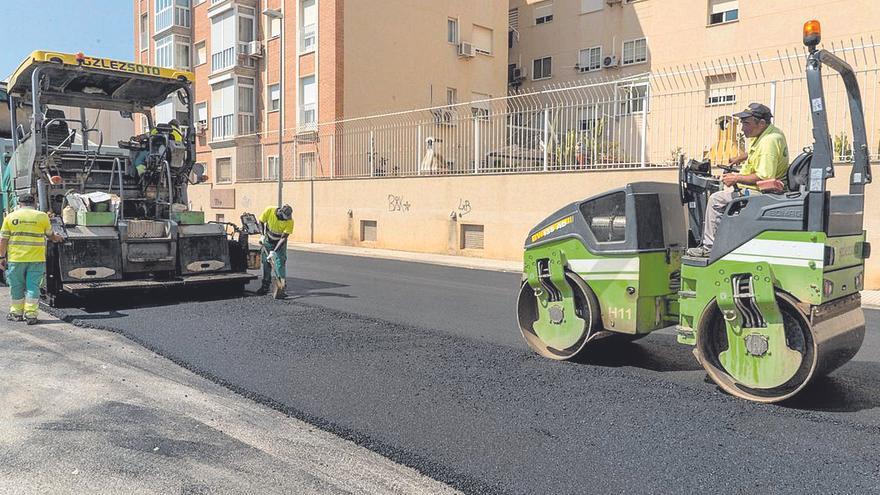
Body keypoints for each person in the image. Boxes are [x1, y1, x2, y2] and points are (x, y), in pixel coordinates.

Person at [686, 103, 790, 257]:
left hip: (761, 193)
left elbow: (765, 177)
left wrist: (736, 178)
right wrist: (741, 157)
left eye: (746, 123)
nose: (742, 128)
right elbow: (758, 152)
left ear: (761, 123)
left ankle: (709, 248)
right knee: (725, 192)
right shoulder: (769, 134)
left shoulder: (769, 142)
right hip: (761, 190)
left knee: (716, 200)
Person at [0, 194, 63, 324]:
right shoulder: (42, 216)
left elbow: (3, 240)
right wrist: (59, 238)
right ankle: (31, 315)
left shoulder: (10, 217)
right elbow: (50, 235)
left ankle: (16, 313)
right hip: (36, 259)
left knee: (16, 286)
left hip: (16, 260)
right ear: (33, 203)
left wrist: (1, 256)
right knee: (33, 287)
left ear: (20, 203)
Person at [255, 204, 293, 296]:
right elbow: (261, 221)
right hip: (268, 240)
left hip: (280, 243)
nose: (287, 219)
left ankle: (282, 287)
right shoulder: (270, 210)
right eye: (285, 217)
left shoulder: (290, 221)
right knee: (266, 262)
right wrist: (262, 235)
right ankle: (265, 286)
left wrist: (274, 251)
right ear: (280, 213)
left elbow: (283, 238)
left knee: (280, 263)